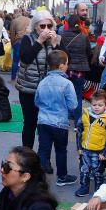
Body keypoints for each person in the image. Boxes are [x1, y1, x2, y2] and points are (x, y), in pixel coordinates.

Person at [17, 10, 67, 149]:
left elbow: (64, 63)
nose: (46, 29)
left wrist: (56, 45)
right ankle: (27, 154)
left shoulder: (57, 39)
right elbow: (25, 59)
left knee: (46, 124)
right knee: (30, 123)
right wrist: (39, 41)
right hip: (29, 88)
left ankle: (44, 158)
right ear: (35, 27)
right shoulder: (28, 39)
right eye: (42, 26)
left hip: (50, 90)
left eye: (49, 26)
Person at [35, 50, 78, 187]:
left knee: (43, 149)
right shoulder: (67, 84)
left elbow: (37, 101)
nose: (67, 66)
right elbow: (73, 105)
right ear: (61, 66)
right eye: (66, 64)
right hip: (59, 122)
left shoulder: (42, 82)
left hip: (43, 121)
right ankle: (62, 176)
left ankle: (39, 179)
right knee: (60, 150)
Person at [75, 89, 106, 198]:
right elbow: (79, 131)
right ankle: (84, 187)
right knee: (84, 170)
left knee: (98, 172)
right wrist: (79, 147)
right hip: (84, 149)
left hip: (98, 151)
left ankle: (99, 190)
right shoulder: (85, 115)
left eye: (100, 105)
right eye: (94, 104)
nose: (96, 107)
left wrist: (105, 153)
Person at [8, 8, 31, 82]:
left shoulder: (14, 21)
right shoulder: (29, 20)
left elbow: (12, 34)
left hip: (18, 41)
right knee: (26, 61)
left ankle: (13, 78)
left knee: (15, 61)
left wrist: (12, 44)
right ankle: (26, 78)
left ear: (15, 13)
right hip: (28, 41)